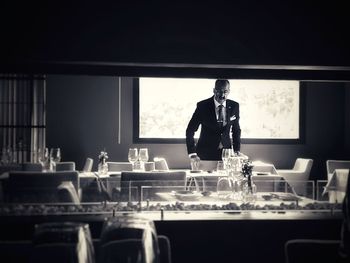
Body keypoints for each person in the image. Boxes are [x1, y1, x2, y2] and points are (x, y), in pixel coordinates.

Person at [186, 79, 241, 161]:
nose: (222, 95)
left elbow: (236, 130)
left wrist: (236, 150)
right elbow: (190, 130)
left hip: (226, 153)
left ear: (229, 91)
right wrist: (192, 153)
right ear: (214, 91)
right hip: (204, 154)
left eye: (225, 91)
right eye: (219, 91)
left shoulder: (234, 106)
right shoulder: (202, 106)